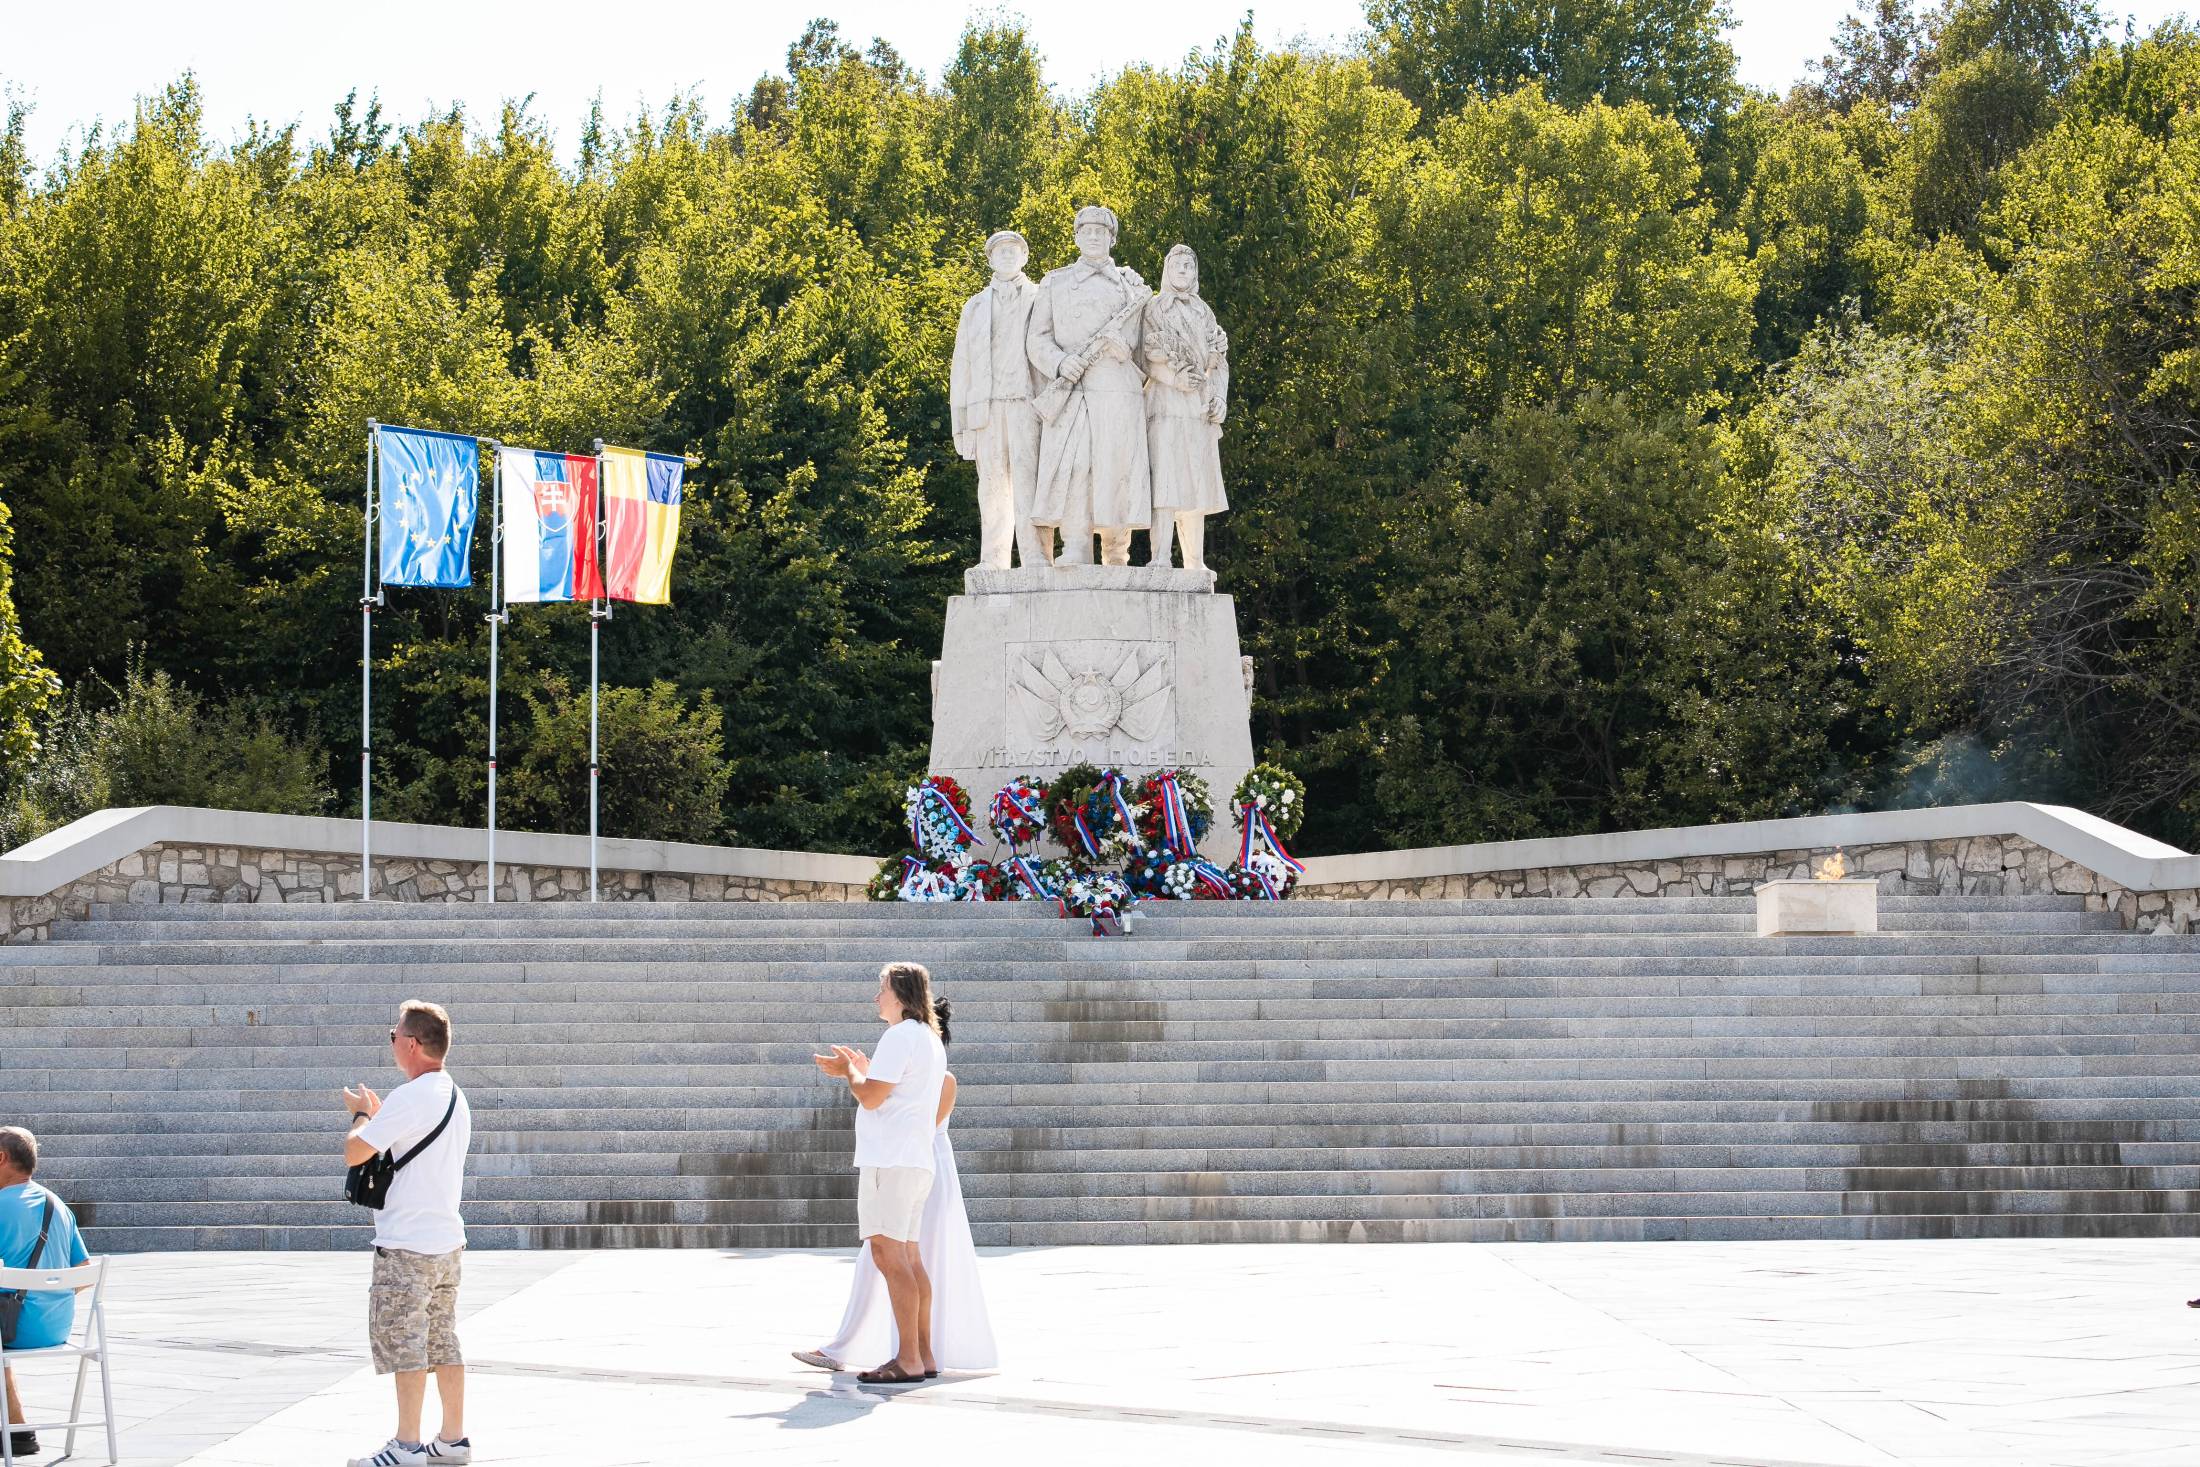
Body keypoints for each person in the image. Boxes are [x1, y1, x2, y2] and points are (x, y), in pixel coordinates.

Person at [794, 999, 997, 1375]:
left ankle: (906, 1354)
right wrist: (871, 1076)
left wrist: (859, 1077)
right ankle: (898, 1350)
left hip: (915, 1166)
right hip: (917, 1165)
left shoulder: (938, 1077)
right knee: (890, 1261)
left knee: (897, 1259)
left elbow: (912, 1123)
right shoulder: (921, 1069)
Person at [343, 1001, 474, 1467]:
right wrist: (383, 1117)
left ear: (412, 1044)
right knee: (442, 1339)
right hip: (446, 1242)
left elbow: (355, 1152)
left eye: (394, 1035)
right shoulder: (454, 1095)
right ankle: (453, 1439)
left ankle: (407, 1445)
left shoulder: (411, 1096)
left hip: (406, 1245)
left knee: (406, 1343)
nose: (392, 1041)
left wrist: (362, 1115)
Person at [812, 963, 949, 1385]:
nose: (877, 997)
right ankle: (922, 1354)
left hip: (890, 1162)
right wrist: (867, 1068)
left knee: (888, 1256)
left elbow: (871, 1097)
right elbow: (896, 1089)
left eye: (883, 989)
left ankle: (908, 1358)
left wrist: (849, 1072)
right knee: (909, 1257)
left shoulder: (899, 1035)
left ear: (901, 994)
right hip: (914, 1161)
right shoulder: (927, 1038)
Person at [1026, 204, 1151, 567]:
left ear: (1112, 239)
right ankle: (1076, 545)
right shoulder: (1055, 282)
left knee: (1117, 469)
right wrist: (1061, 362)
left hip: (1118, 388)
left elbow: (1146, 343)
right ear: (1077, 237)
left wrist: (1126, 350)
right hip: (1073, 388)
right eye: (1087, 231)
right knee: (1076, 468)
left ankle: (1116, 552)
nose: (1094, 236)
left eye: (1101, 231)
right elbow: (1037, 338)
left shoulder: (1132, 285)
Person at [951, 229, 1052, 569]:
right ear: (990, 259)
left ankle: (1037, 555)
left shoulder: (1041, 297)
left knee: (1029, 481)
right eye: (1000, 251)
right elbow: (962, 366)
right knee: (992, 485)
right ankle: (993, 559)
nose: (1007, 255)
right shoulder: (975, 306)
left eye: (1014, 250)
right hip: (987, 406)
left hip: (1028, 402)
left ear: (1025, 257)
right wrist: (961, 423)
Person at [1, 1127, 91, 1463]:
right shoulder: (58, 1205)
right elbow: (84, 1269)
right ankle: (18, 1432)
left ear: (1, 1158)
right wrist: (45, 1297)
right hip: (55, 1329)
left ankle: (19, 1431)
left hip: (11, 1328)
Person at [1142, 243, 1229, 571]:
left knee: (1196, 485)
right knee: (1166, 482)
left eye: (1189, 266)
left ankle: (1195, 561)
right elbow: (1145, 357)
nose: (1183, 270)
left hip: (1198, 408)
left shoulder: (1204, 311)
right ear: (1167, 269)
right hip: (1165, 404)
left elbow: (1218, 362)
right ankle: (1161, 556)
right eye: (1177, 264)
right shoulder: (1154, 308)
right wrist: (1174, 378)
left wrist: (1219, 397)